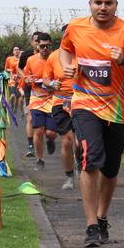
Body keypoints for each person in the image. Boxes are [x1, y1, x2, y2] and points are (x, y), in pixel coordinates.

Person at [60, 0, 124, 248]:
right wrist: (67, 66)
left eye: (108, 3)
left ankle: (102, 218)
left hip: (117, 110)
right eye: (98, 2)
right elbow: (66, 48)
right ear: (89, 4)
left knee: (110, 170)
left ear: (116, 5)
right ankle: (90, 226)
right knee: (90, 160)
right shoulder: (75, 28)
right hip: (84, 104)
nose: (103, 7)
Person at [45, 24, 77, 190]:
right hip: (60, 101)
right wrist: (51, 83)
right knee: (67, 141)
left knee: (81, 144)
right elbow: (45, 80)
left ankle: (83, 168)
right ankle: (69, 177)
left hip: (82, 101)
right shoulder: (53, 57)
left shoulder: (85, 54)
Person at [23, 34, 58, 170]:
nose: (44, 49)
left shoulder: (56, 58)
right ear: (37, 46)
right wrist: (28, 80)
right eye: (42, 46)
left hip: (52, 99)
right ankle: (39, 159)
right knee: (38, 131)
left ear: (50, 46)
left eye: (47, 46)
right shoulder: (31, 60)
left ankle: (50, 140)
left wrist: (53, 84)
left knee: (50, 133)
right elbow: (25, 77)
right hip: (36, 98)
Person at [20, 32, 43, 157]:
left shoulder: (48, 55)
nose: (38, 43)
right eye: (35, 40)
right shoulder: (26, 55)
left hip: (47, 91)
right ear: (32, 42)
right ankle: (30, 146)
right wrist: (25, 77)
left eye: (40, 41)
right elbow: (19, 68)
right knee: (30, 117)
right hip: (31, 89)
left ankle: (47, 140)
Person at [4, 45, 23, 113]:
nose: (16, 51)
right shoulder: (9, 59)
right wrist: (11, 71)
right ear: (13, 52)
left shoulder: (22, 59)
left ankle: (15, 109)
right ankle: (10, 105)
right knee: (12, 95)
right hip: (12, 79)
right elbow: (6, 69)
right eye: (15, 50)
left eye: (18, 49)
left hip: (20, 80)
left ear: (19, 51)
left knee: (19, 96)